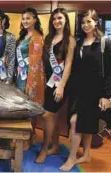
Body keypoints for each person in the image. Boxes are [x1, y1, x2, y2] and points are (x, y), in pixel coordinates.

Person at [60, 9, 111, 171]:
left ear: (96, 22)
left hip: (95, 92)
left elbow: (109, 71)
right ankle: (87, 154)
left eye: (89, 21)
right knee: (85, 124)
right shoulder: (79, 42)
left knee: (77, 122)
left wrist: (107, 96)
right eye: (83, 22)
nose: (85, 25)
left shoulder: (105, 42)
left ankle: (72, 157)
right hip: (78, 90)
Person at [35, 8, 76, 163]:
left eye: (60, 18)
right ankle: (56, 145)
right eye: (54, 19)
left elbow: (69, 64)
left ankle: (45, 149)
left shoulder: (69, 39)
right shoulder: (49, 37)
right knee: (52, 115)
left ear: (66, 20)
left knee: (48, 114)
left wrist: (61, 86)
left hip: (61, 83)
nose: (57, 21)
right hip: (48, 82)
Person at [16, 7, 46, 139]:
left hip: (30, 77)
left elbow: (37, 61)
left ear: (35, 19)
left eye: (28, 18)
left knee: (30, 106)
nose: (25, 21)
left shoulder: (38, 37)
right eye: (23, 18)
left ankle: (30, 134)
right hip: (20, 76)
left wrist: (31, 81)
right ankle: (22, 134)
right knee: (21, 106)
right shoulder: (23, 36)